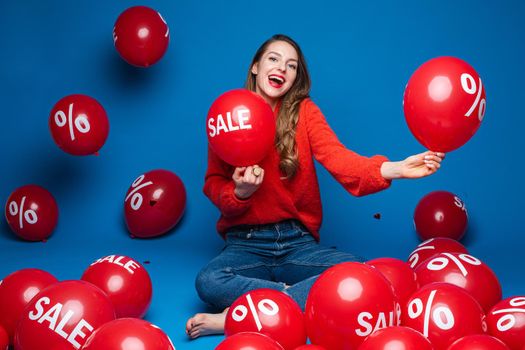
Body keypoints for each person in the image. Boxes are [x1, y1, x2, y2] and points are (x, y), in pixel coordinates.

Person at [186, 34, 445, 339]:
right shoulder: (229, 114)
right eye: (273, 59)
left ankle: (244, 313)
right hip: (246, 242)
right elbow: (214, 183)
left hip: (297, 242)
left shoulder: (304, 113)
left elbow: (339, 159)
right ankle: (288, 299)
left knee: (357, 273)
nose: (282, 68)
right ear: (255, 67)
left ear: (296, 76)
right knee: (208, 280)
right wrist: (240, 193)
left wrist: (395, 168)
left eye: (291, 65)